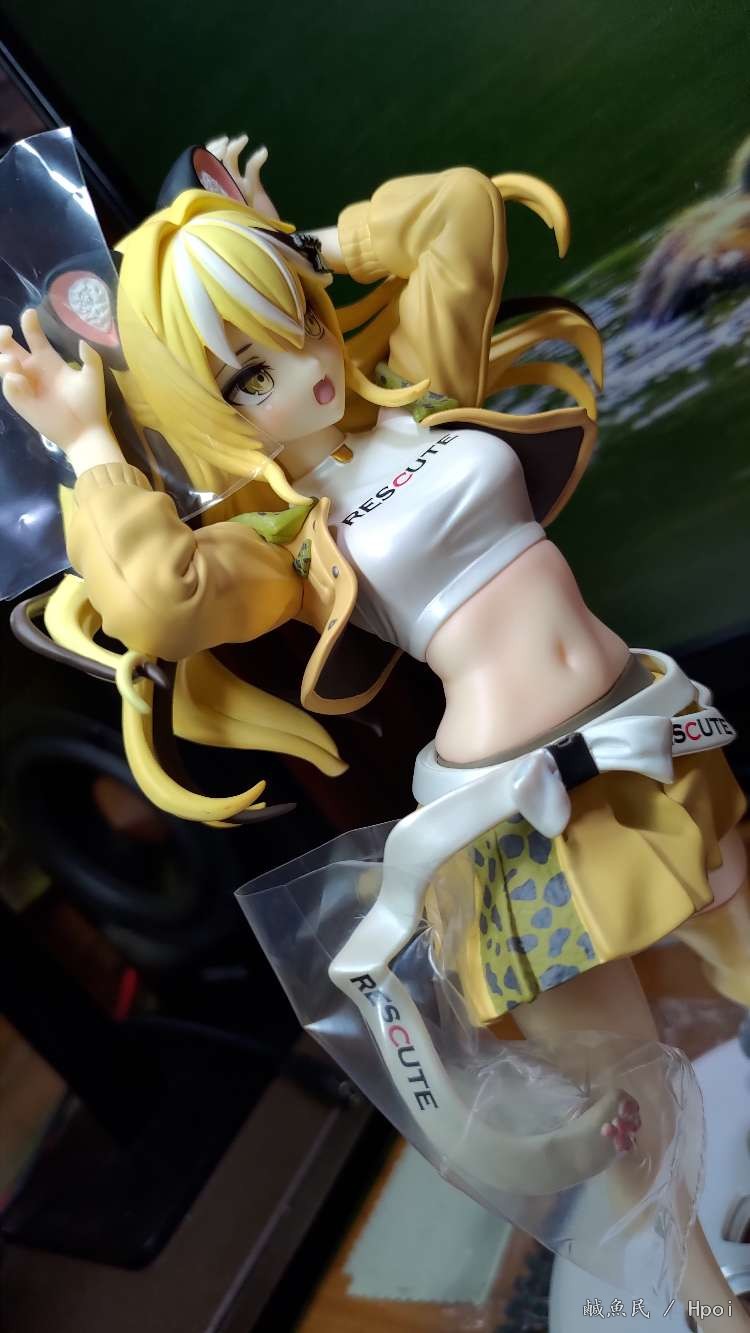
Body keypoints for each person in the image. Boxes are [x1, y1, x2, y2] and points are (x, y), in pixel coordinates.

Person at [1, 137, 748, 1323]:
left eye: (297, 322)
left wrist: (301, 247)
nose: (304, 369)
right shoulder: (285, 544)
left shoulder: (415, 391)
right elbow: (157, 599)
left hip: (645, 736)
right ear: (201, 405)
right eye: (247, 372)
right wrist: (91, 442)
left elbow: (457, 214)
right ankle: (709, 1302)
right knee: (623, 1095)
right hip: (522, 818)